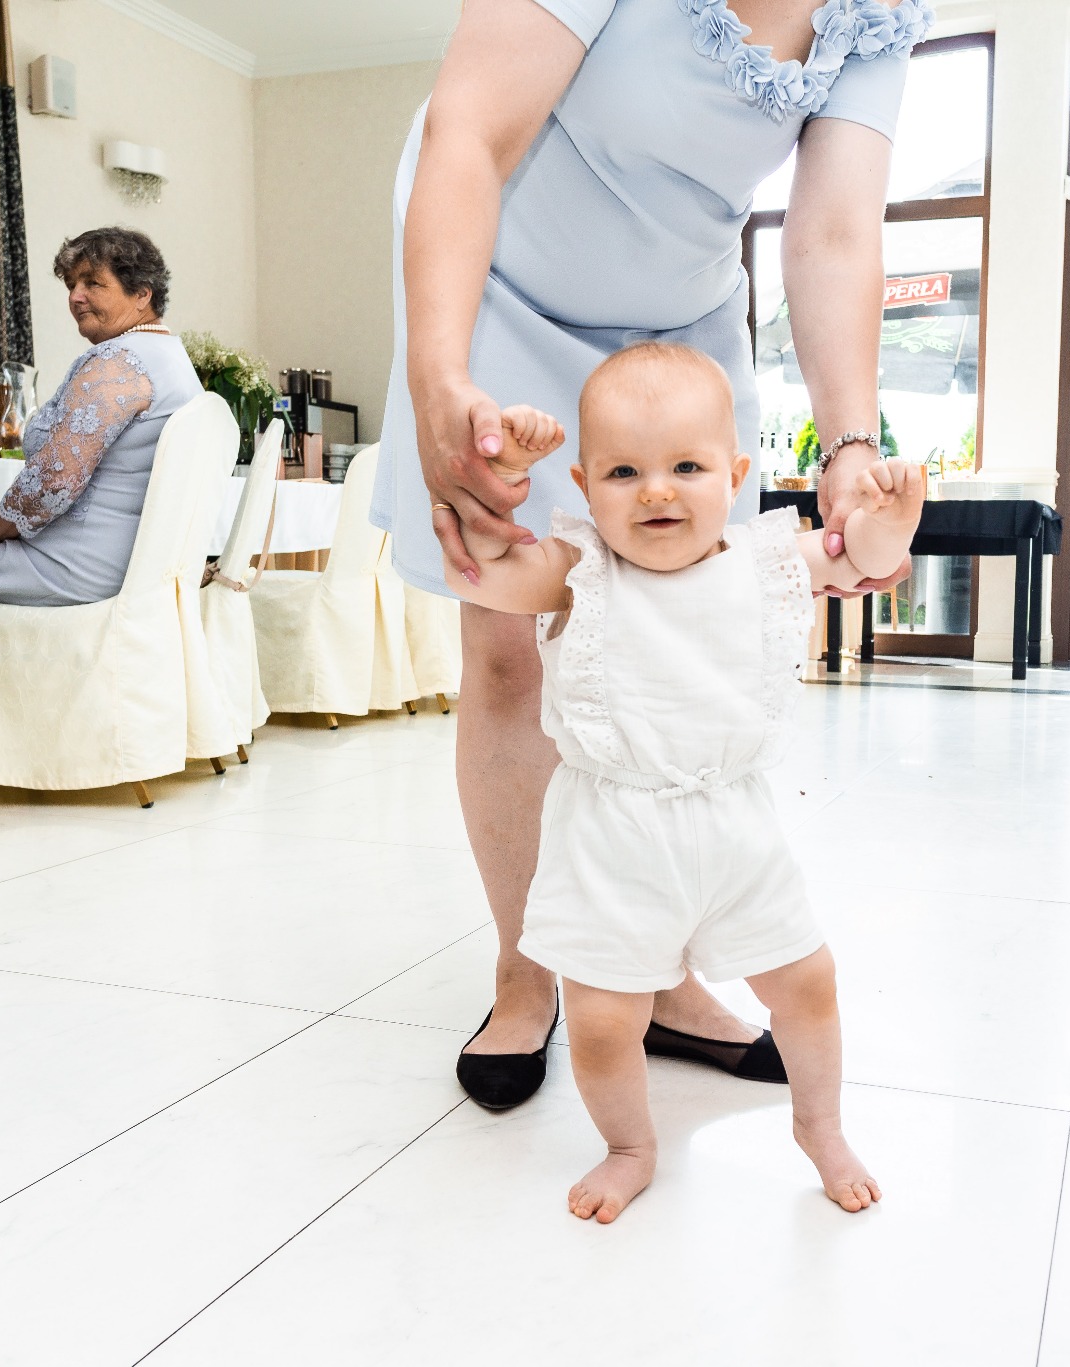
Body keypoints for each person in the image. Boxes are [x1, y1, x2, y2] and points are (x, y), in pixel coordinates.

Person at [380, 0, 933, 1109]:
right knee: (509, 647)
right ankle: (528, 967)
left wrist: (851, 445)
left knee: (681, 638)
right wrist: (440, 373)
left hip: (682, 324)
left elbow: (830, 231)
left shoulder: (874, 15)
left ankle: (663, 976)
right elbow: (469, 131)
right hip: (499, 292)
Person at [454, 343, 923, 1221]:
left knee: (807, 981)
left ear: (736, 475)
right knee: (600, 1020)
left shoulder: (765, 559)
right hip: (611, 837)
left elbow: (857, 551)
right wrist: (506, 481)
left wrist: (892, 519)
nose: (657, 490)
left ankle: (820, 1124)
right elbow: (485, 569)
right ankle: (630, 1144)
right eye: (624, 471)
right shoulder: (579, 569)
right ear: (587, 486)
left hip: (733, 830)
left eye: (687, 467)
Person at [0, 228, 201, 607]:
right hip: (129, 568)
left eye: (93, 283)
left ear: (142, 294)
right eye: (71, 284)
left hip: (68, 565)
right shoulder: (174, 360)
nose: (75, 296)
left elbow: (54, 479)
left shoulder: (118, 360)